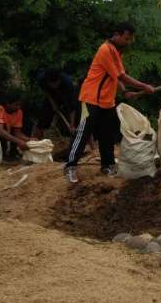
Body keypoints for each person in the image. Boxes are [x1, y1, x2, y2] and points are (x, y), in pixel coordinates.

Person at [64, 22, 155, 183]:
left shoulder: (116, 52)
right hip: (90, 98)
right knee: (83, 132)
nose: (128, 42)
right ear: (117, 35)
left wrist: (125, 91)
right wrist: (144, 86)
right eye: (127, 38)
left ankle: (108, 165)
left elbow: (116, 75)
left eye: (131, 39)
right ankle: (70, 166)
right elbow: (122, 77)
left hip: (107, 101)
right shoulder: (106, 50)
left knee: (107, 134)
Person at [30, 68, 79, 139]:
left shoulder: (67, 83)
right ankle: (37, 141)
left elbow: (72, 106)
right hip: (52, 96)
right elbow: (45, 90)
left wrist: (71, 125)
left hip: (65, 95)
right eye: (51, 84)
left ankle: (73, 135)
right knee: (44, 117)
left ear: (59, 80)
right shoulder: (42, 78)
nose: (54, 86)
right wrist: (52, 102)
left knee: (72, 117)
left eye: (55, 84)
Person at [0, 93, 30, 158]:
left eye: (19, 105)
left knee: (28, 123)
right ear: (7, 104)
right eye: (16, 105)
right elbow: (0, 131)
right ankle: (2, 154)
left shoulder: (19, 112)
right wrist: (19, 141)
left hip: (7, 131)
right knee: (2, 130)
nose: (18, 107)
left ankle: (13, 153)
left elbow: (17, 132)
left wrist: (29, 139)